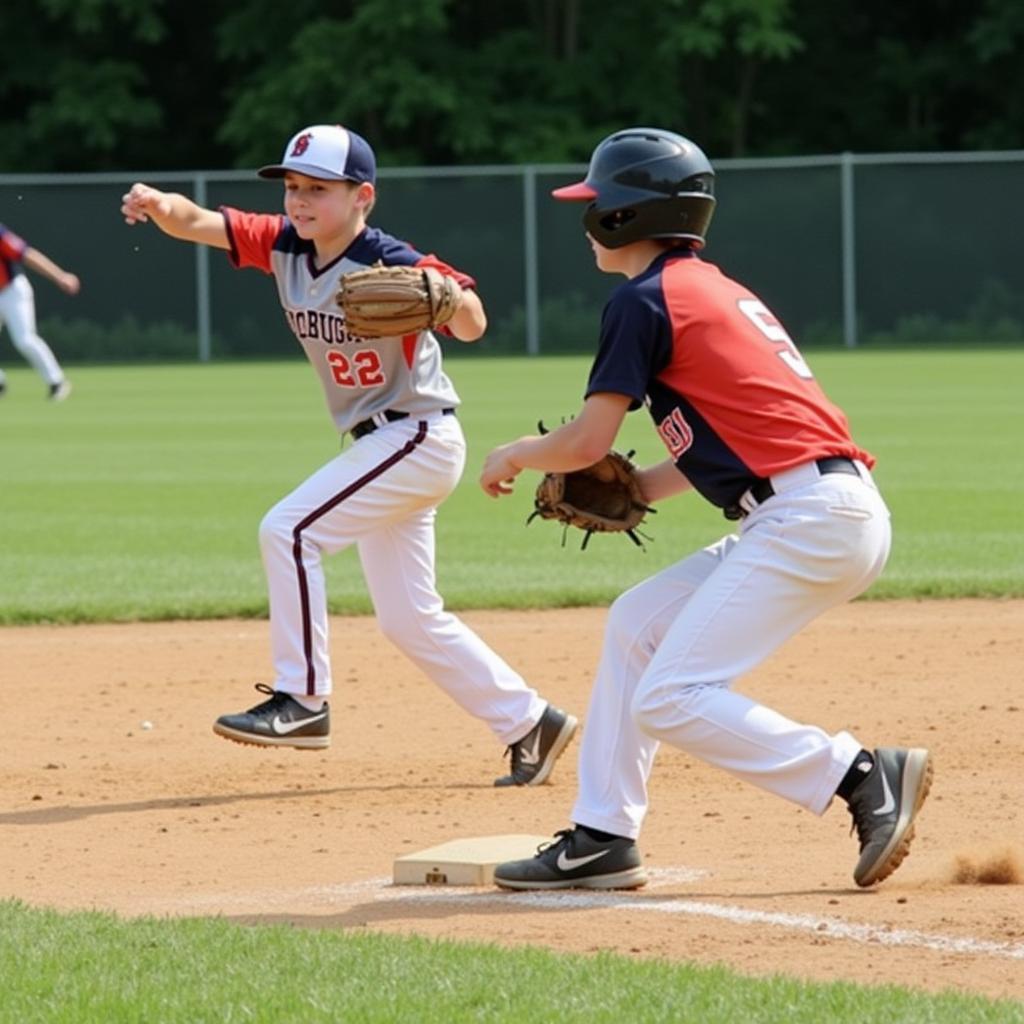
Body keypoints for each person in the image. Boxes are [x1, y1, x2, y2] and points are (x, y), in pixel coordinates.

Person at [480, 127, 932, 888]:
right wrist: (641, 489)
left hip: (810, 519)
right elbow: (729, 436)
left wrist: (518, 452)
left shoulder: (642, 300)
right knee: (636, 626)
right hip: (818, 509)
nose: (587, 215)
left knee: (672, 697)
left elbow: (590, 436)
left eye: (595, 201)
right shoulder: (716, 289)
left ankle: (858, 775)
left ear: (626, 215)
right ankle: (602, 835)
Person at [120, 123, 577, 787]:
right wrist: (162, 206)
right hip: (386, 445)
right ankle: (531, 722)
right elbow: (198, 222)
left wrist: (445, 297)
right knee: (410, 619)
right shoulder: (283, 244)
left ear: (363, 196)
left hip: (416, 434)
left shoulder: (389, 258)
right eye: (292, 188)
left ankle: (303, 701)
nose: (299, 202)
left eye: (318, 190)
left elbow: (474, 322)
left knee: (288, 529)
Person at [0, 223, 77, 400]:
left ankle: (57, 382)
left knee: (24, 339)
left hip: (12, 291)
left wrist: (60, 276)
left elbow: (27, 254)